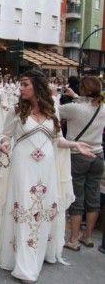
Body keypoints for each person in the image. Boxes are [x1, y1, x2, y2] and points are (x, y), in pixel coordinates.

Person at [0, 69, 95, 282]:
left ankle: (38, 252)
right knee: (24, 208)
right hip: (22, 166)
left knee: (42, 210)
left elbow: (58, 140)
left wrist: (75, 145)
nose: (21, 88)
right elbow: (4, 136)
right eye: (21, 84)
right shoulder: (17, 111)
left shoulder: (52, 110)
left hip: (46, 168)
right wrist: (4, 144)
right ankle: (25, 265)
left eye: (25, 84)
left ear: (37, 86)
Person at [58, 76, 105, 251]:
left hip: (78, 155)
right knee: (93, 197)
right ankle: (88, 237)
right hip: (98, 155)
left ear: (83, 89)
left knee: (76, 198)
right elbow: (88, 106)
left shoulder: (73, 108)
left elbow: (54, 111)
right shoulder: (102, 107)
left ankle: (73, 240)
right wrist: (76, 96)